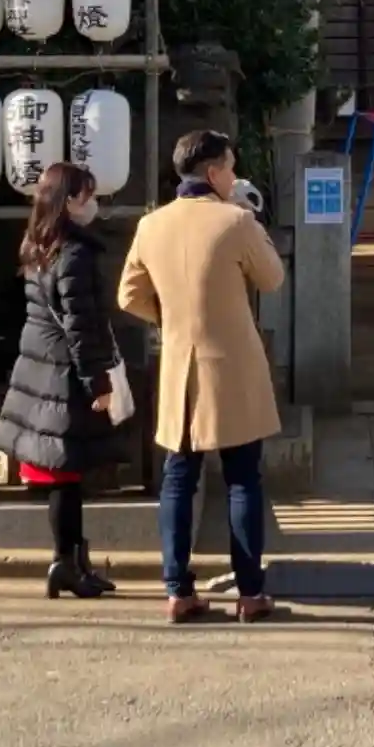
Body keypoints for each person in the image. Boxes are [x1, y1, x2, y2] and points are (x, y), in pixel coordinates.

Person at [119, 129, 286, 624]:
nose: (234, 176)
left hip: (180, 367)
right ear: (213, 173)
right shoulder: (237, 220)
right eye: (230, 167)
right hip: (233, 367)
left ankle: (177, 590)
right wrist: (251, 220)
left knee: (178, 477)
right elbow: (272, 278)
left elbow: (128, 295)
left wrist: (169, 319)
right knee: (243, 478)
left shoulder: (151, 224)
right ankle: (250, 593)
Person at [0, 161, 127, 600]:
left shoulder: (37, 244)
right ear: (69, 201)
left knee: (65, 475)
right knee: (67, 476)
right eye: (88, 196)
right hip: (63, 375)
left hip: (40, 367)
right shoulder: (74, 253)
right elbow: (80, 326)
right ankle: (65, 565)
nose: (94, 204)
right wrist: (98, 383)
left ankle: (73, 562)